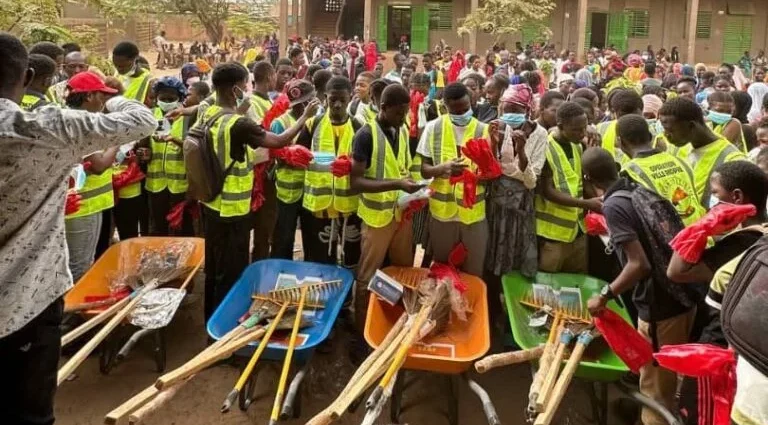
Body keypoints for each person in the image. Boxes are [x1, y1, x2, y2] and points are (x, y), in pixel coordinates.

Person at [0, 32, 157, 425]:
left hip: (93, 213)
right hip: (25, 306)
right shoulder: (45, 128)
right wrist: (114, 94)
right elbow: (143, 120)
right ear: (30, 75)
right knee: (29, 412)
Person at [582, 147, 696, 425]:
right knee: (663, 375)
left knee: (655, 386)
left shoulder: (613, 206)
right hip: (681, 293)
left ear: (588, 178)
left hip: (661, 305)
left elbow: (639, 264)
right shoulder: (636, 189)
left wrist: (605, 295)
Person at [200, 62, 318, 320]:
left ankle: (210, 321)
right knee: (232, 273)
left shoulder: (207, 113)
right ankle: (226, 329)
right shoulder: (238, 124)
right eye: (245, 86)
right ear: (234, 89)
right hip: (233, 210)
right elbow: (278, 141)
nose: (248, 90)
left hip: (210, 204)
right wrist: (303, 117)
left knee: (214, 269)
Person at [350, 84, 421, 330]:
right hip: (377, 218)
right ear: (383, 108)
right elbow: (355, 181)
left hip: (401, 213)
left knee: (403, 271)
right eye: (399, 114)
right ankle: (361, 329)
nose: (404, 119)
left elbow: (405, 167)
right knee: (367, 276)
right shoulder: (365, 136)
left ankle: (395, 322)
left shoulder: (400, 131)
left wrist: (417, 189)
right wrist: (397, 183)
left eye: (406, 113)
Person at [485, 84, 548, 326]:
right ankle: (493, 314)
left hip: (521, 206)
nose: (508, 113)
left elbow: (532, 180)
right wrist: (493, 142)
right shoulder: (497, 126)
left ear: (527, 110)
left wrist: (521, 150)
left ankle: (516, 314)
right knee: (492, 256)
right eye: (505, 108)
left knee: (518, 257)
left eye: (514, 109)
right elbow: (490, 170)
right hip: (496, 205)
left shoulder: (539, 135)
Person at [416, 83, 489, 276]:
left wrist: (475, 177)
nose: (462, 114)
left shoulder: (484, 130)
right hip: (442, 213)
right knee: (442, 268)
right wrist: (442, 169)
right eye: (455, 111)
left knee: (473, 270)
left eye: (465, 109)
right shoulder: (434, 128)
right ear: (445, 107)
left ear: (471, 102)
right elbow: (423, 170)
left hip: (473, 214)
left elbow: (492, 175)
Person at [295, 76, 362, 267]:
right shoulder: (312, 125)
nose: (338, 105)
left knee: (351, 259)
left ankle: (347, 296)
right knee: (320, 259)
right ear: (325, 97)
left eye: (343, 99)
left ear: (350, 98)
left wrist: (351, 165)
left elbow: (366, 165)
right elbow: (298, 155)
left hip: (349, 206)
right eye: (333, 100)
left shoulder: (359, 128)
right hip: (318, 207)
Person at [537, 102, 602, 273]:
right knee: (550, 284)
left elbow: (583, 181)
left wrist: (601, 200)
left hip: (577, 229)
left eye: (584, 128)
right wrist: (587, 204)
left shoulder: (578, 145)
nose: (582, 134)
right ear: (560, 126)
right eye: (576, 130)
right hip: (553, 235)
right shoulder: (545, 148)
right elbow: (547, 191)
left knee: (577, 282)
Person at [617, 114, 705, 226]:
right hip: (702, 235)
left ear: (620, 141)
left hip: (673, 241)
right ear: (650, 136)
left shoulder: (628, 173)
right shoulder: (680, 161)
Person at [659, 97, 746, 209]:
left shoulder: (731, 159)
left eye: (670, 130)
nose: (666, 135)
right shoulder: (675, 148)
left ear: (691, 126)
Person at [270, 79, 317, 260]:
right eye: (304, 103)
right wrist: (293, 158)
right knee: (284, 237)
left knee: (311, 237)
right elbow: (276, 158)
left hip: (310, 189)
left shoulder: (316, 121)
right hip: (287, 191)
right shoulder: (280, 123)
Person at [144, 76, 195, 236]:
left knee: (182, 226)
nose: (166, 102)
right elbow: (143, 144)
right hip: (156, 183)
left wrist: (174, 140)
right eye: (162, 98)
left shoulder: (188, 118)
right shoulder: (150, 115)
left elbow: (194, 149)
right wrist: (143, 152)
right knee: (158, 225)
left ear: (179, 98)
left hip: (180, 185)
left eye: (171, 98)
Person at [598, 89, 644, 165]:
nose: (628, 122)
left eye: (634, 117)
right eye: (623, 117)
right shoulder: (600, 129)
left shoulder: (656, 133)